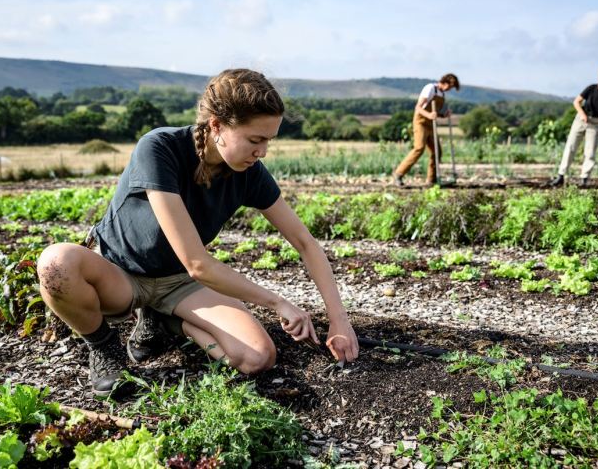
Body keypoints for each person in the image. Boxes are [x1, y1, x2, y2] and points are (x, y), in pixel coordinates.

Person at [37, 69, 359, 397]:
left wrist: (339, 320)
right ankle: (105, 349)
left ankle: (163, 320)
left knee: (257, 357)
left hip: (178, 283)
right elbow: (197, 263)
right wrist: (277, 302)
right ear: (217, 125)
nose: (262, 151)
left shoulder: (250, 173)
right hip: (121, 276)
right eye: (255, 140)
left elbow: (305, 243)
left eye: (268, 141)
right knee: (56, 263)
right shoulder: (160, 148)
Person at [549, 64, 598, 187]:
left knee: (590, 152)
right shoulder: (591, 89)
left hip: (595, 123)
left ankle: (584, 179)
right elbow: (576, 101)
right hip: (581, 120)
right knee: (570, 147)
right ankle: (561, 175)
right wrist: (582, 113)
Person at [393, 73, 459, 186]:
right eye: (450, 86)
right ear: (445, 82)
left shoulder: (442, 94)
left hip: (430, 124)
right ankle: (399, 173)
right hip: (420, 122)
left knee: (436, 151)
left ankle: (431, 180)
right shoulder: (430, 88)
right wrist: (429, 115)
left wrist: (443, 115)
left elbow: (435, 112)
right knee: (419, 148)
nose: (449, 89)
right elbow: (418, 107)